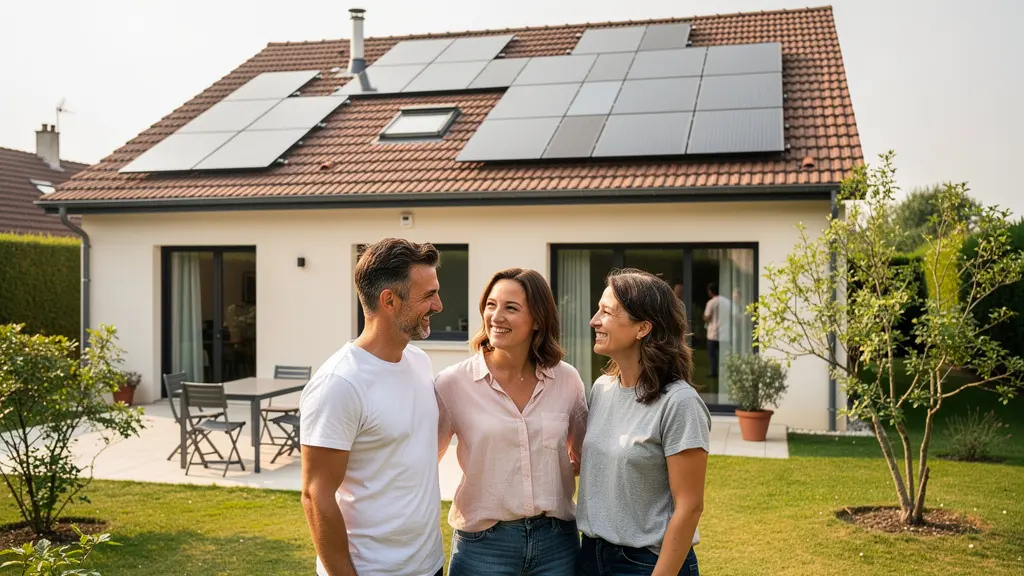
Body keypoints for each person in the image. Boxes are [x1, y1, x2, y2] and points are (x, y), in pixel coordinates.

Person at [299, 238, 445, 576]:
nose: (438, 305)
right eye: (428, 295)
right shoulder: (339, 383)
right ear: (389, 300)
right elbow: (316, 496)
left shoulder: (419, 362)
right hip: (372, 570)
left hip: (429, 564)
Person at [435, 267, 588, 576]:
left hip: (557, 544)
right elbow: (424, 463)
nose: (496, 316)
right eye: (491, 305)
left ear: (538, 320)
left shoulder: (566, 379)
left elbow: (585, 455)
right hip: (483, 547)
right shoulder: (452, 384)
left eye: (511, 308)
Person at [577, 268, 711, 576]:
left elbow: (690, 506)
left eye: (606, 312)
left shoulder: (679, 402)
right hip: (590, 556)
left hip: (645, 563)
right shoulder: (601, 389)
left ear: (643, 328)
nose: (594, 321)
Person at [702, 282, 733, 378]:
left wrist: (704, 318)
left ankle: (713, 372)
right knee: (724, 355)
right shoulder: (727, 302)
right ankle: (725, 372)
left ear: (710, 291)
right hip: (725, 333)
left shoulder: (711, 303)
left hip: (713, 333)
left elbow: (707, 316)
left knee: (712, 356)